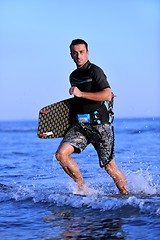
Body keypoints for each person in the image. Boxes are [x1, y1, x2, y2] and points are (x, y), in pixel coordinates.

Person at [55, 39, 129, 195]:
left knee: (109, 166)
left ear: (87, 53)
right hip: (81, 125)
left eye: (81, 52)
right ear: (71, 55)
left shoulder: (95, 71)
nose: (78, 56)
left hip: (100, 124)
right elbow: (79, 102)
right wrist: (54, 125)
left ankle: (127, 197)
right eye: (75, 53)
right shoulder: (73, 76)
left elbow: (107, 94)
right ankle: (83, 189)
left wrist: (81, 93)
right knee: (61, 155)